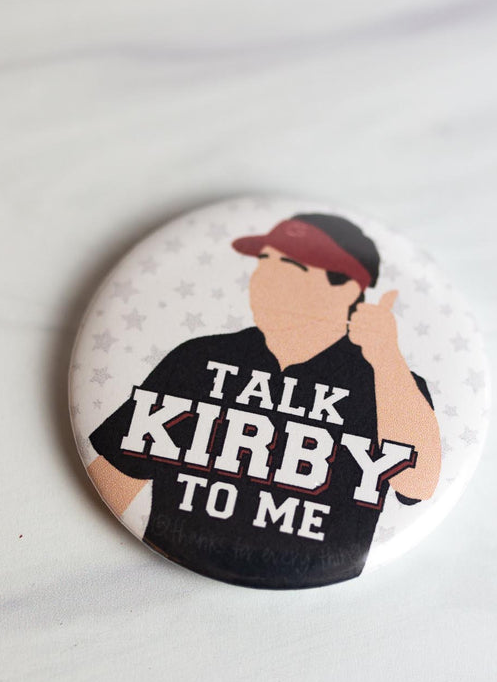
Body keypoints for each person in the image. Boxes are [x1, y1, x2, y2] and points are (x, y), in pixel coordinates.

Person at [87, 213, 441, 589]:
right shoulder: (198, 358)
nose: (263, 279)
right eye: (264, 263)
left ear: (347, 289)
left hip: (320, 599)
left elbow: (418, 484)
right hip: (164, 578)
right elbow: (113, 479)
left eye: (288, 267)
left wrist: (385, 358)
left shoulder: (390, 384)